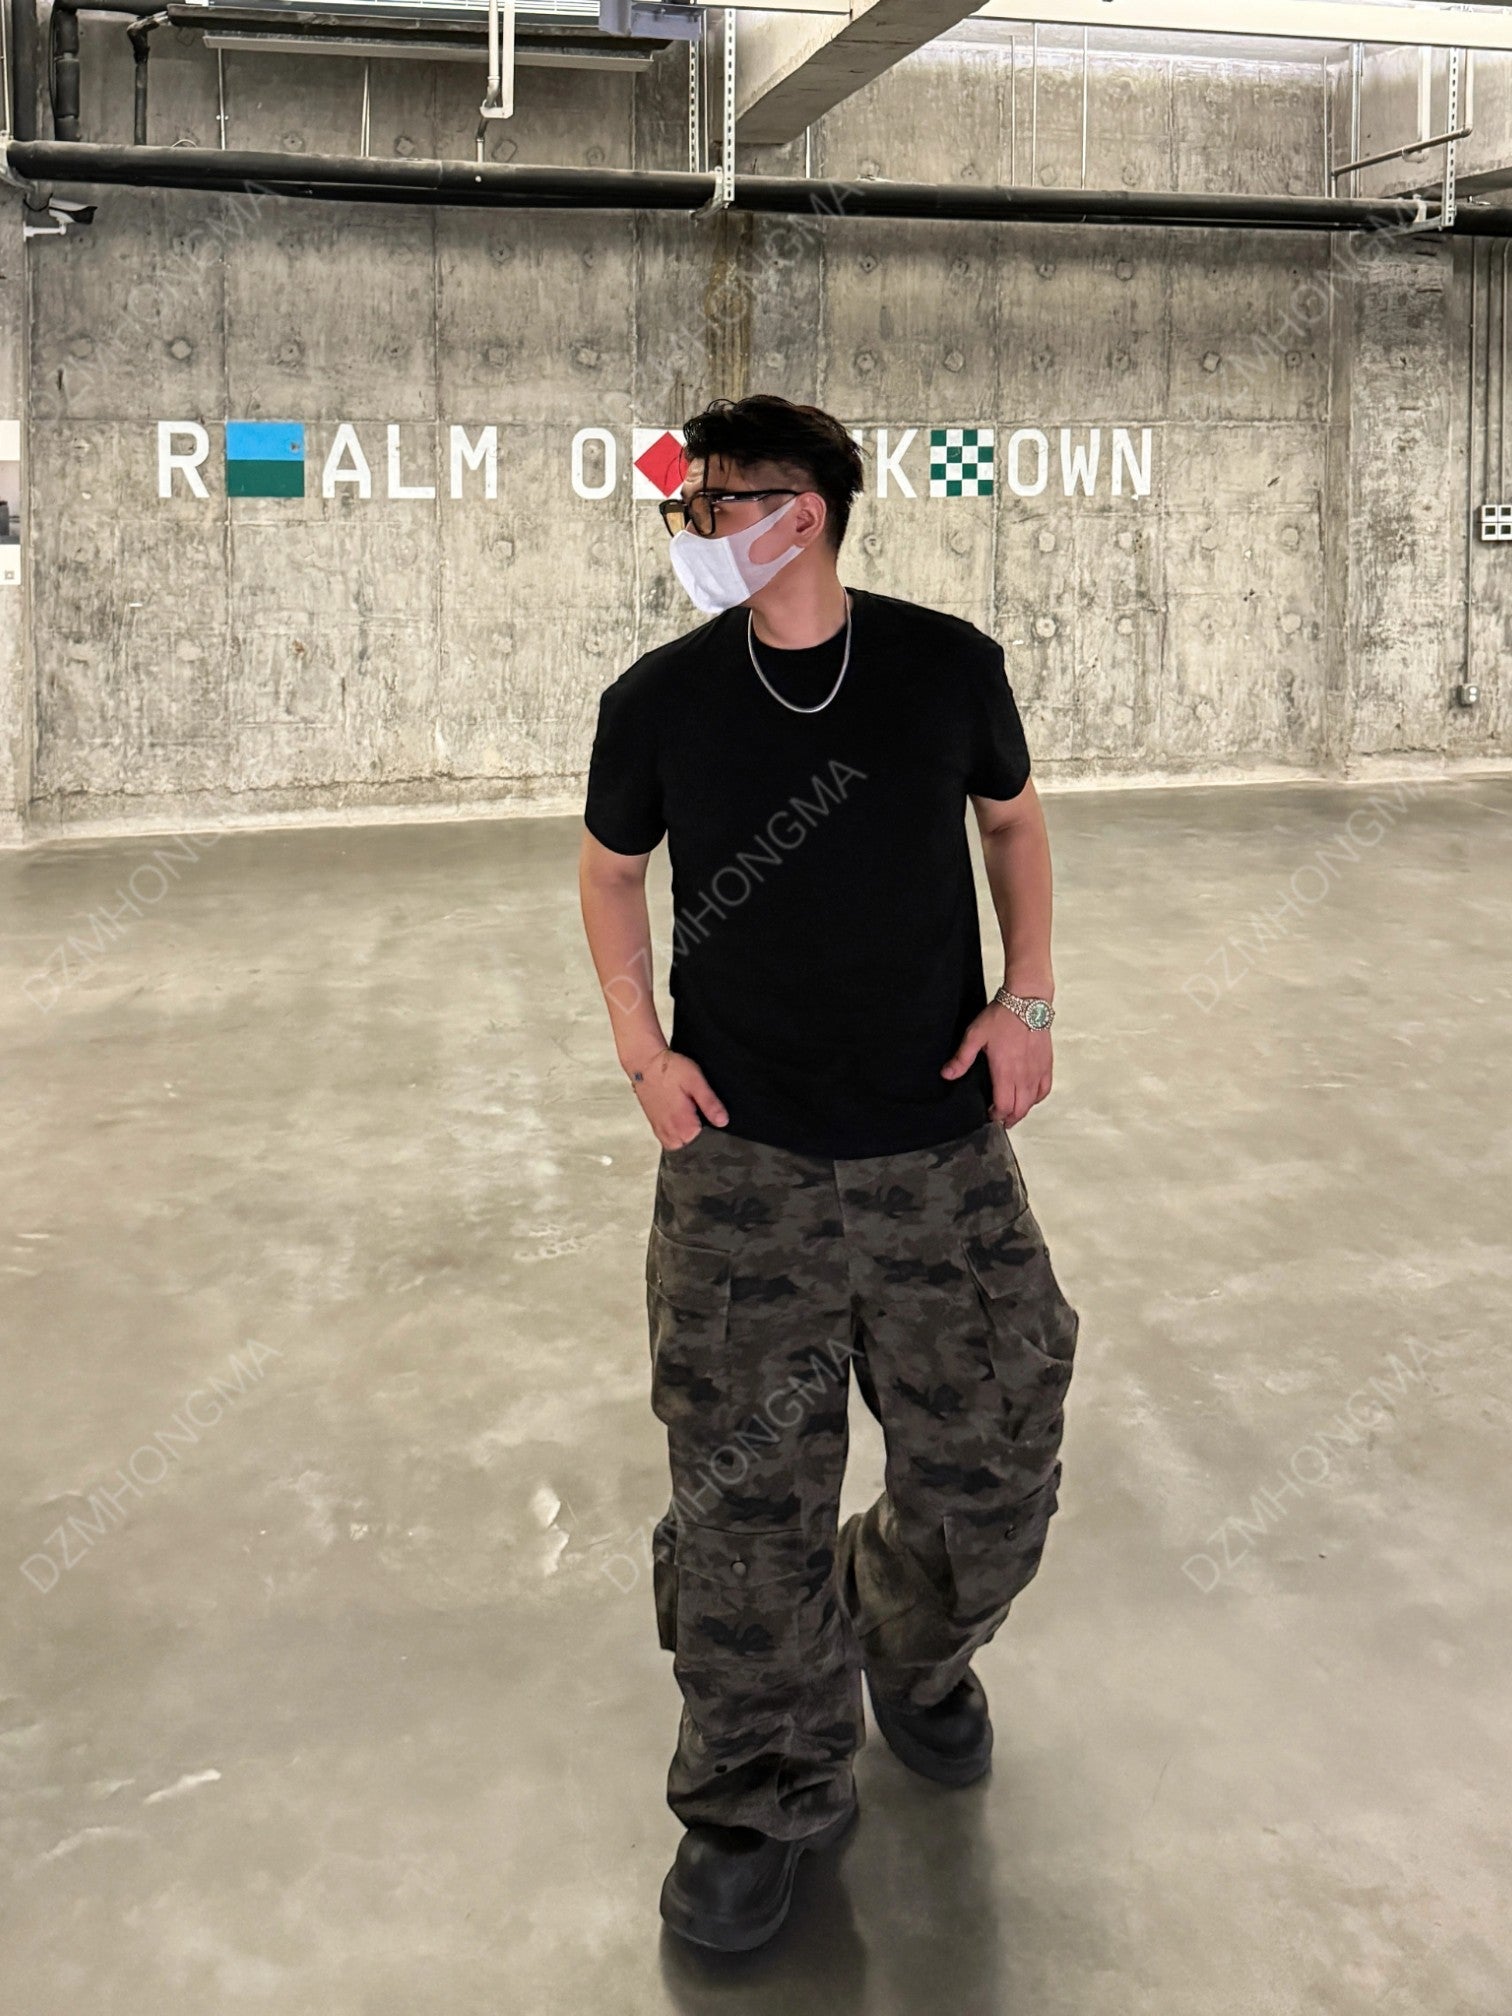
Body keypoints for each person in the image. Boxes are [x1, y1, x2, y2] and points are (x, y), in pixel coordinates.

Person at [577, 393, 1080, 1954]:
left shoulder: (946, 667)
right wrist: (642, 1051)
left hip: (939, 1152)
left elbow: (1014, 826)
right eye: (691, 507)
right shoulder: (659, 701)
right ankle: (757, 1792)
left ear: (801, 512)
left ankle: (907, 1647)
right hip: (747, 1168)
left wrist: (1029, 996)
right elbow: (609, 873)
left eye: (714, 503)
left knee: (997, 1460)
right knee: (743, 1506)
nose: (693, 530)